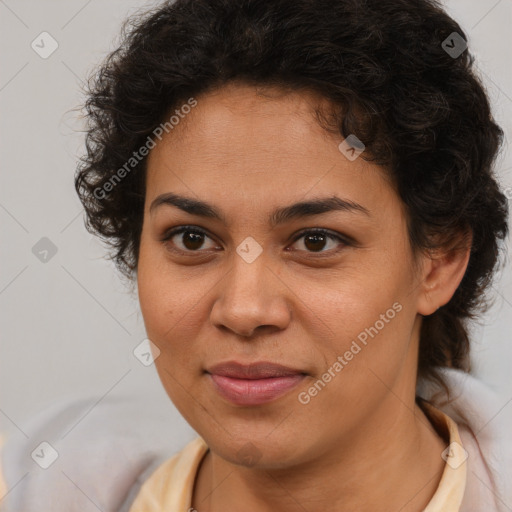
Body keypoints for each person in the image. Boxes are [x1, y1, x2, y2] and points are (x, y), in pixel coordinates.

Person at [4, 0, 510, 510]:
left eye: (316, 241)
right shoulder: (44, 489)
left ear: (438, 261)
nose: (244, 311)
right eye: (192, 239)